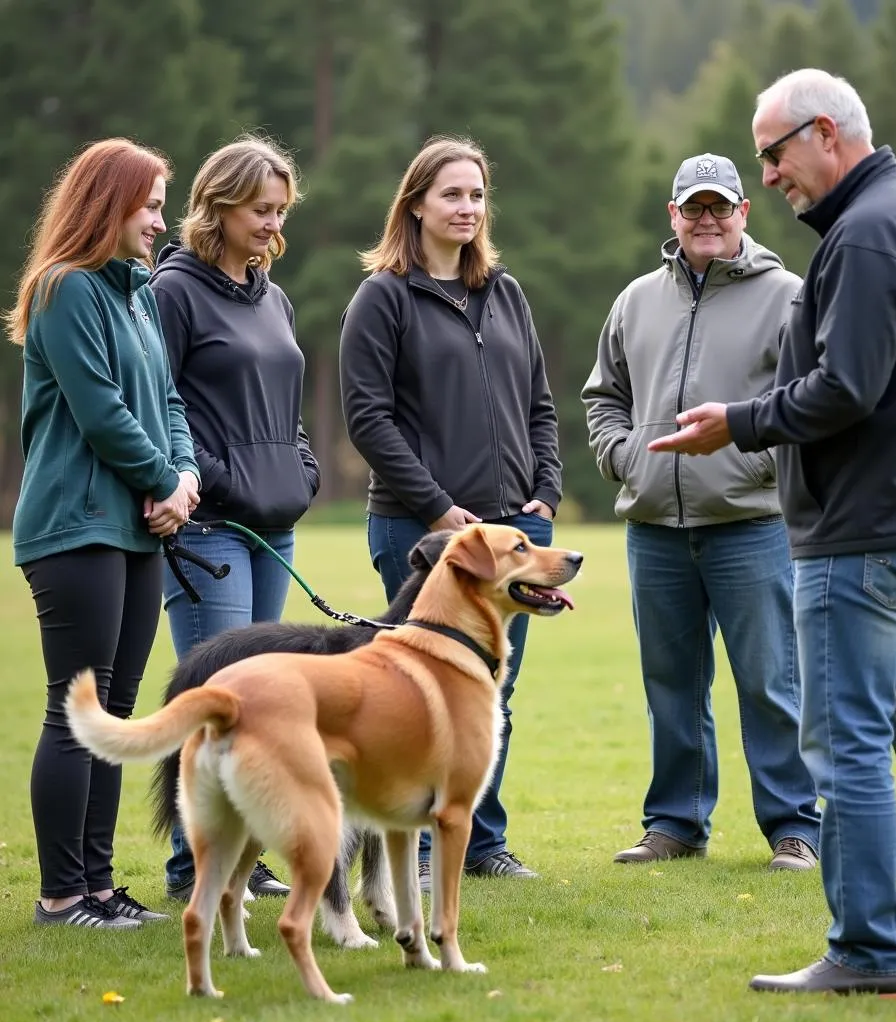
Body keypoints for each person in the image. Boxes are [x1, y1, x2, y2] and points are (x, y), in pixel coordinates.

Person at [650, 69, 896, 996]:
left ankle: (863, 950)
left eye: (773, 153)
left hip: (867, 534)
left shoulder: (864, 233)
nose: (768, 176)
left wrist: (735, 420)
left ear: (824, 133)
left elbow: (845, 389)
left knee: (847, 741)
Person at [582, 154, 820, 872]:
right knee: (672, 683)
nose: (707, 220)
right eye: (695, 208)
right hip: (655, 528)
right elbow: (603, 398)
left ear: (746, 212)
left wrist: (760, 465)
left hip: (751, 524)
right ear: (673, 216)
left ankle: (794, 827)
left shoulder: (789, 297)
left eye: (721, 207)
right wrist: (628, 458)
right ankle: (676, 823)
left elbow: (816, 402)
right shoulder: (635, 300)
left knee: (770, 682)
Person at [340, 135, 562, 889]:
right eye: (452, 195)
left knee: (492, 693)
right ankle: (422, 848)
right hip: (419, 533)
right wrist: (439, 511)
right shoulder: (383, 297)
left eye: (476, 195)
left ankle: (482, 840)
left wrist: (549, 491)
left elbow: (539, 404)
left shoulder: (505, 292)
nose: (467, 208)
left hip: (515, 534)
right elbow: (368, 419)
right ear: (416, 205)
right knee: (418, 692)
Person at [8, 139, 200, 928]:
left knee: (114, 713)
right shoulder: (66, 290)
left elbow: (170, 403)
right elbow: (103, 414)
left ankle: (97, 887)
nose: (160, 220)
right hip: (75, 527)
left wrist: (184, 482)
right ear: (107, 203)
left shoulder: (139, 293)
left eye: (161, 204)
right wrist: (161, 482)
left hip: (136, 528)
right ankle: (61, 895)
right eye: (150, 204)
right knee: (74, 708)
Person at [149, 136, 320, 903]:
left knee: (261, 706)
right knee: (218, 696)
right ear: (216, 206)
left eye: (280, 210)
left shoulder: (273, 294)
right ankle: (195, 869)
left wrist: (303, 467)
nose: (271, 223)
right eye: (260, 209)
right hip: (209, 529)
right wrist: (217, 480)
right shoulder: (172, 292)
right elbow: (161, 405)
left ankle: (242, 868)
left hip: (272, 527)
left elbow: (286, 402)